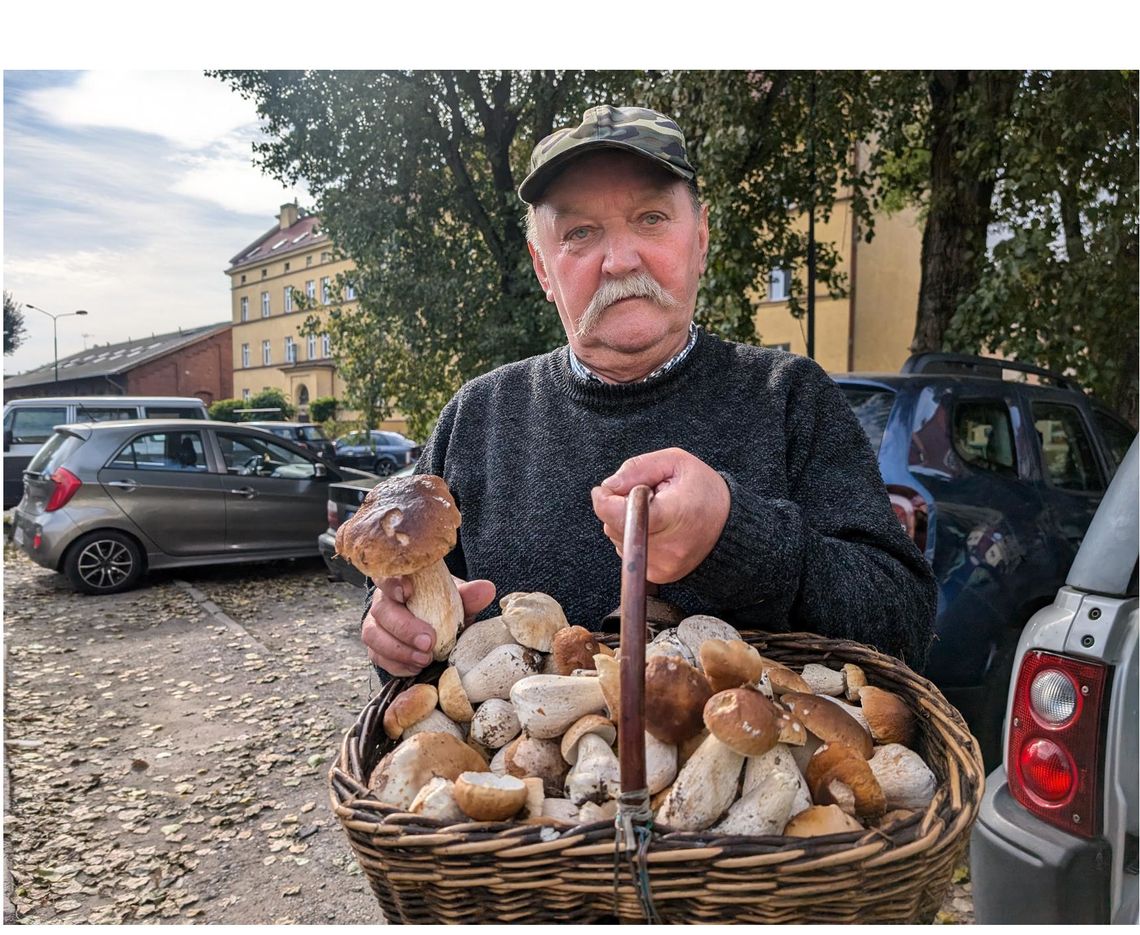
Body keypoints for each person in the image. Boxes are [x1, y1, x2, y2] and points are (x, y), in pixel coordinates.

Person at [360, 104, 937, 680]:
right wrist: (394, 633)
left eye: (652, 218)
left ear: (702, 236)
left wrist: (736, 538)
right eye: (580, 233)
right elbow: (400, 614)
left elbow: (904, 623)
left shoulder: (789, 397)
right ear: (542, 267)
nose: (620, 260)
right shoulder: (477, 418)